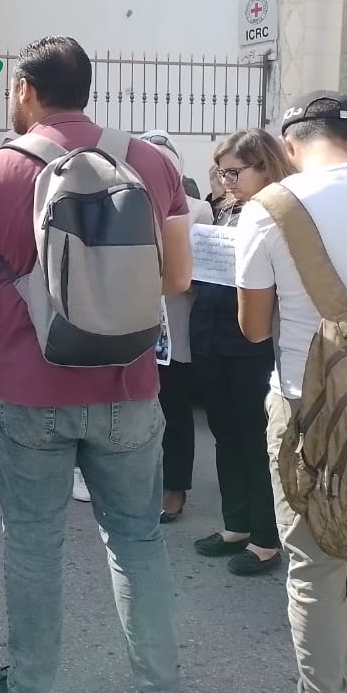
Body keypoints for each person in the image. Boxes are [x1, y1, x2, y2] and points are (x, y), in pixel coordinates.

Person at [0, 37, 192, 693]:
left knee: (32, 543)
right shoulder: (151, 162)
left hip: (28, 388)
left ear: (25, 90)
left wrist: (15, 302)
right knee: (136, 540)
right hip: (129, 384)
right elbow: (176, 277)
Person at [236, 91, 347, 693]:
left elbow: (254, 328)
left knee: (315, 569)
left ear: (289, 145)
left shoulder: (270, 208)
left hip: (309, 410)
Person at [190, 129, 292, 576]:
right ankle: (236, 525)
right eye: (221, 172)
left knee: (255, 440)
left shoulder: (280, 213)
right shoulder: (229, 210)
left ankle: (266, 539)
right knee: (225, 434)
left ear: (266, 166)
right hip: (212, 336)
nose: (226, 181)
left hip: (253, 344)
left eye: (235, 172)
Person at [138, 130, 213, 525]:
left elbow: (203, 271)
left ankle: (175, 486)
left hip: (176, 327)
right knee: (135, 410)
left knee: (174, 409)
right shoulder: (126, 201)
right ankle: (137, 484)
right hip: (132, 322)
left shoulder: (198, 209)